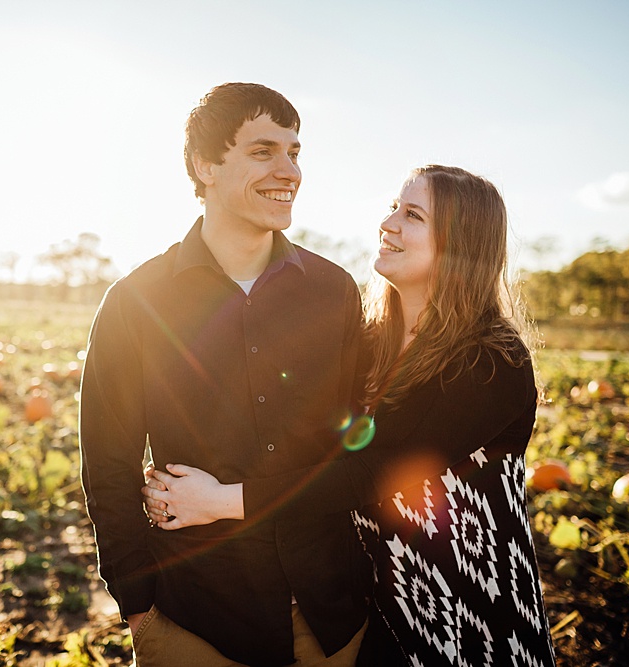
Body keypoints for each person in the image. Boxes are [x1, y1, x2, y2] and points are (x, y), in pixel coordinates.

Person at [143, 165, 559, 666]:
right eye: (392, 208)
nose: (389, 224)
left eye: (413, 215)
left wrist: (220, 501)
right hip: (380, 602)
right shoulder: (369, 341)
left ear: (460, 244)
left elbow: (375, 472)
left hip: (471, 608)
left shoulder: (491, 359)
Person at [78, 82, 371, 667]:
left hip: (329, 616)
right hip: (196, 620)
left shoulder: (334, 292)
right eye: (264, 152)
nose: (289, 170)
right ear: (204, 166)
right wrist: (139, 606)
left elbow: (357, 455)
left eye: (295, 152)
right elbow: (108, 467)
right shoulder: (136, 302)